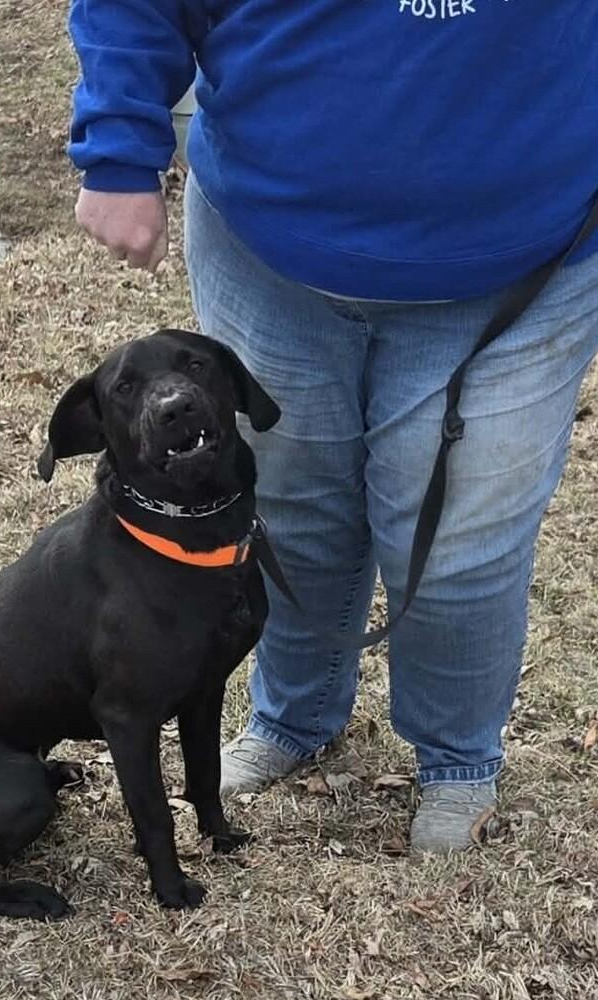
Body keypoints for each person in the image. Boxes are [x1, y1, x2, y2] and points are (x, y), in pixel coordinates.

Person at [66, 1, 598, 853]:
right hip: (270, 244)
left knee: (459, 544)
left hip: (524, 261)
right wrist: (120, 140)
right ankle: (295, 715)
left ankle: (457, 761)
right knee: (291, 499)